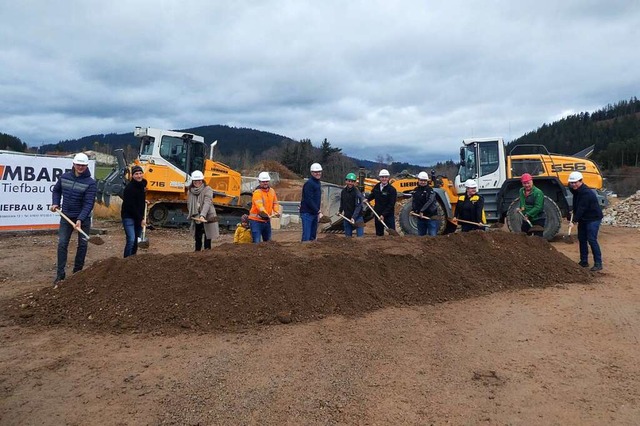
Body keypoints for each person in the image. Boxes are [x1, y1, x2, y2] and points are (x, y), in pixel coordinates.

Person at [50, 152, 97, 284]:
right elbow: (56, 190)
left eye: (83, 165)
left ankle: (77, 273)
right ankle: (60, 275)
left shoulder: (90, 183)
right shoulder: (65, 177)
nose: (80, 167)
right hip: (66, 216)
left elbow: (89, 203)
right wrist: (55, 203)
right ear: (74, 164)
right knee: (62, 244)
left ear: (86, 166)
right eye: (78, 164)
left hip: (84, 219)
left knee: (82, 244)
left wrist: (80, 219)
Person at [568, 171, 603, 271]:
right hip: (584, 218)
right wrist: (572, 212)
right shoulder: (575, 190)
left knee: (591, 239)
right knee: (582, 238)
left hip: (593, 218)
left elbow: (582, 208)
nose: (573, 184)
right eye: (572, 182)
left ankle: (598, 263)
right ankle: (584, 261)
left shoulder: (586, 193)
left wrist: (574, 221)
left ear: (581, 181)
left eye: (575, 182)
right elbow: (576, 204)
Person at [187, 170, 219, 251]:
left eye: (199, 180)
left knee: (208, 238)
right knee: (198, 237)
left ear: (202, 180)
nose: (197, 182)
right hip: (196, 217)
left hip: (207, 216)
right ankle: (197, 253)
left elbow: (207, 203)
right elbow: (189, 203)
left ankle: (207, 255)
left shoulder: (207, 189)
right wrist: (192, 214)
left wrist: (202, 215)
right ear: (192, 181)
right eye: (195, 181)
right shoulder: (190, 191)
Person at [121, 165, 147, 257]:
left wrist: (144, 201)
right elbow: (131, 206)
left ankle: (132, 260)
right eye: (136, 174)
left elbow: (138, 199)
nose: (139, 176)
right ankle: (126, 261)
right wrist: (141, 219)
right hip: (129, 216)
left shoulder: (142, 186)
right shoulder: (129, 188)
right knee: (131, 239)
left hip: (138, 217)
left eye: (140, 173)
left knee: (136, 239)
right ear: (132, 175)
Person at [248, 171, 280, 243]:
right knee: (257, 242)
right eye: (263, 181)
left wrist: (276, 211)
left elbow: (275, 203)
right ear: (259, 182)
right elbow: (260, 207)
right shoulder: (257, 193)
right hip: (256, 221)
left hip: (266, 221)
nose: (265, 183)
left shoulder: (272, 191)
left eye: (266, 181)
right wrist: (266, 214)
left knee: (268, 242)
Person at [365, 169, 398, 236]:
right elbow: (373, 194)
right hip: (378, 214)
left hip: (388, 215)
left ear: (388, 178)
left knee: (392, 234)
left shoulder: (392, 190)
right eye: (382, 177)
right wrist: (368, 199)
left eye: (386, 177)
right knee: (379, 234)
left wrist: (383, 215)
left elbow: (391, 204)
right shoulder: (377, 186)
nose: (384, 179)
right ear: (380, 178)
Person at [411, 171, 440, 236]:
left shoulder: (430, 190)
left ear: (427, 181)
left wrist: (422, 211)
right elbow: (414, 201)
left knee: (432, 237)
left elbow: (430, 201)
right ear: (418, 180)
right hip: (421, 218)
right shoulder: (416, 190)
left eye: (424, 180)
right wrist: (413, 210)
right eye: (421, 180)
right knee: (421, 237)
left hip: (430, 217)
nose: (423, 182)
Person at [300, 163, 323, 242]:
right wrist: (318, 211)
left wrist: (317, 211)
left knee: (313, 236)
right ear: (312, 173)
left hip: (314, 213)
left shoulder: (318, 183)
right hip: (307, 213)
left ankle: (311, 253)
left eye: (319, 171)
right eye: (316, 172)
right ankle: (303, 252)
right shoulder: (309, 184)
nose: (318, 173)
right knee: (306, 237)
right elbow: (308, 200)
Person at [518, 173, 546, 237]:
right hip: (526, 218)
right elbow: (522, 202)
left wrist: (528, 214)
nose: (527, 185)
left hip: (538, 218)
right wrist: (521, 209)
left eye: (528, 183)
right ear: (522, 183)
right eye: (524, 183)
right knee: (524, 236)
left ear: (532, 181)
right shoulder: (521, 191)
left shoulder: (538, 192)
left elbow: (538, 207)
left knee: (538, 238)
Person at [338, 172, 365, 237]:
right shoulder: (343, 192)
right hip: (347, 217)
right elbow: (342, 202)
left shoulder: (357, 193)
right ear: (346, 181)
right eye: (349, 181)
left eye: (352, 181)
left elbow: (358, 206)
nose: (350, 183)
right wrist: (340, 211)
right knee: (348, 239)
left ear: (355, 183)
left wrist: (353, 217)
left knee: (360, 239)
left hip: (358, 217)